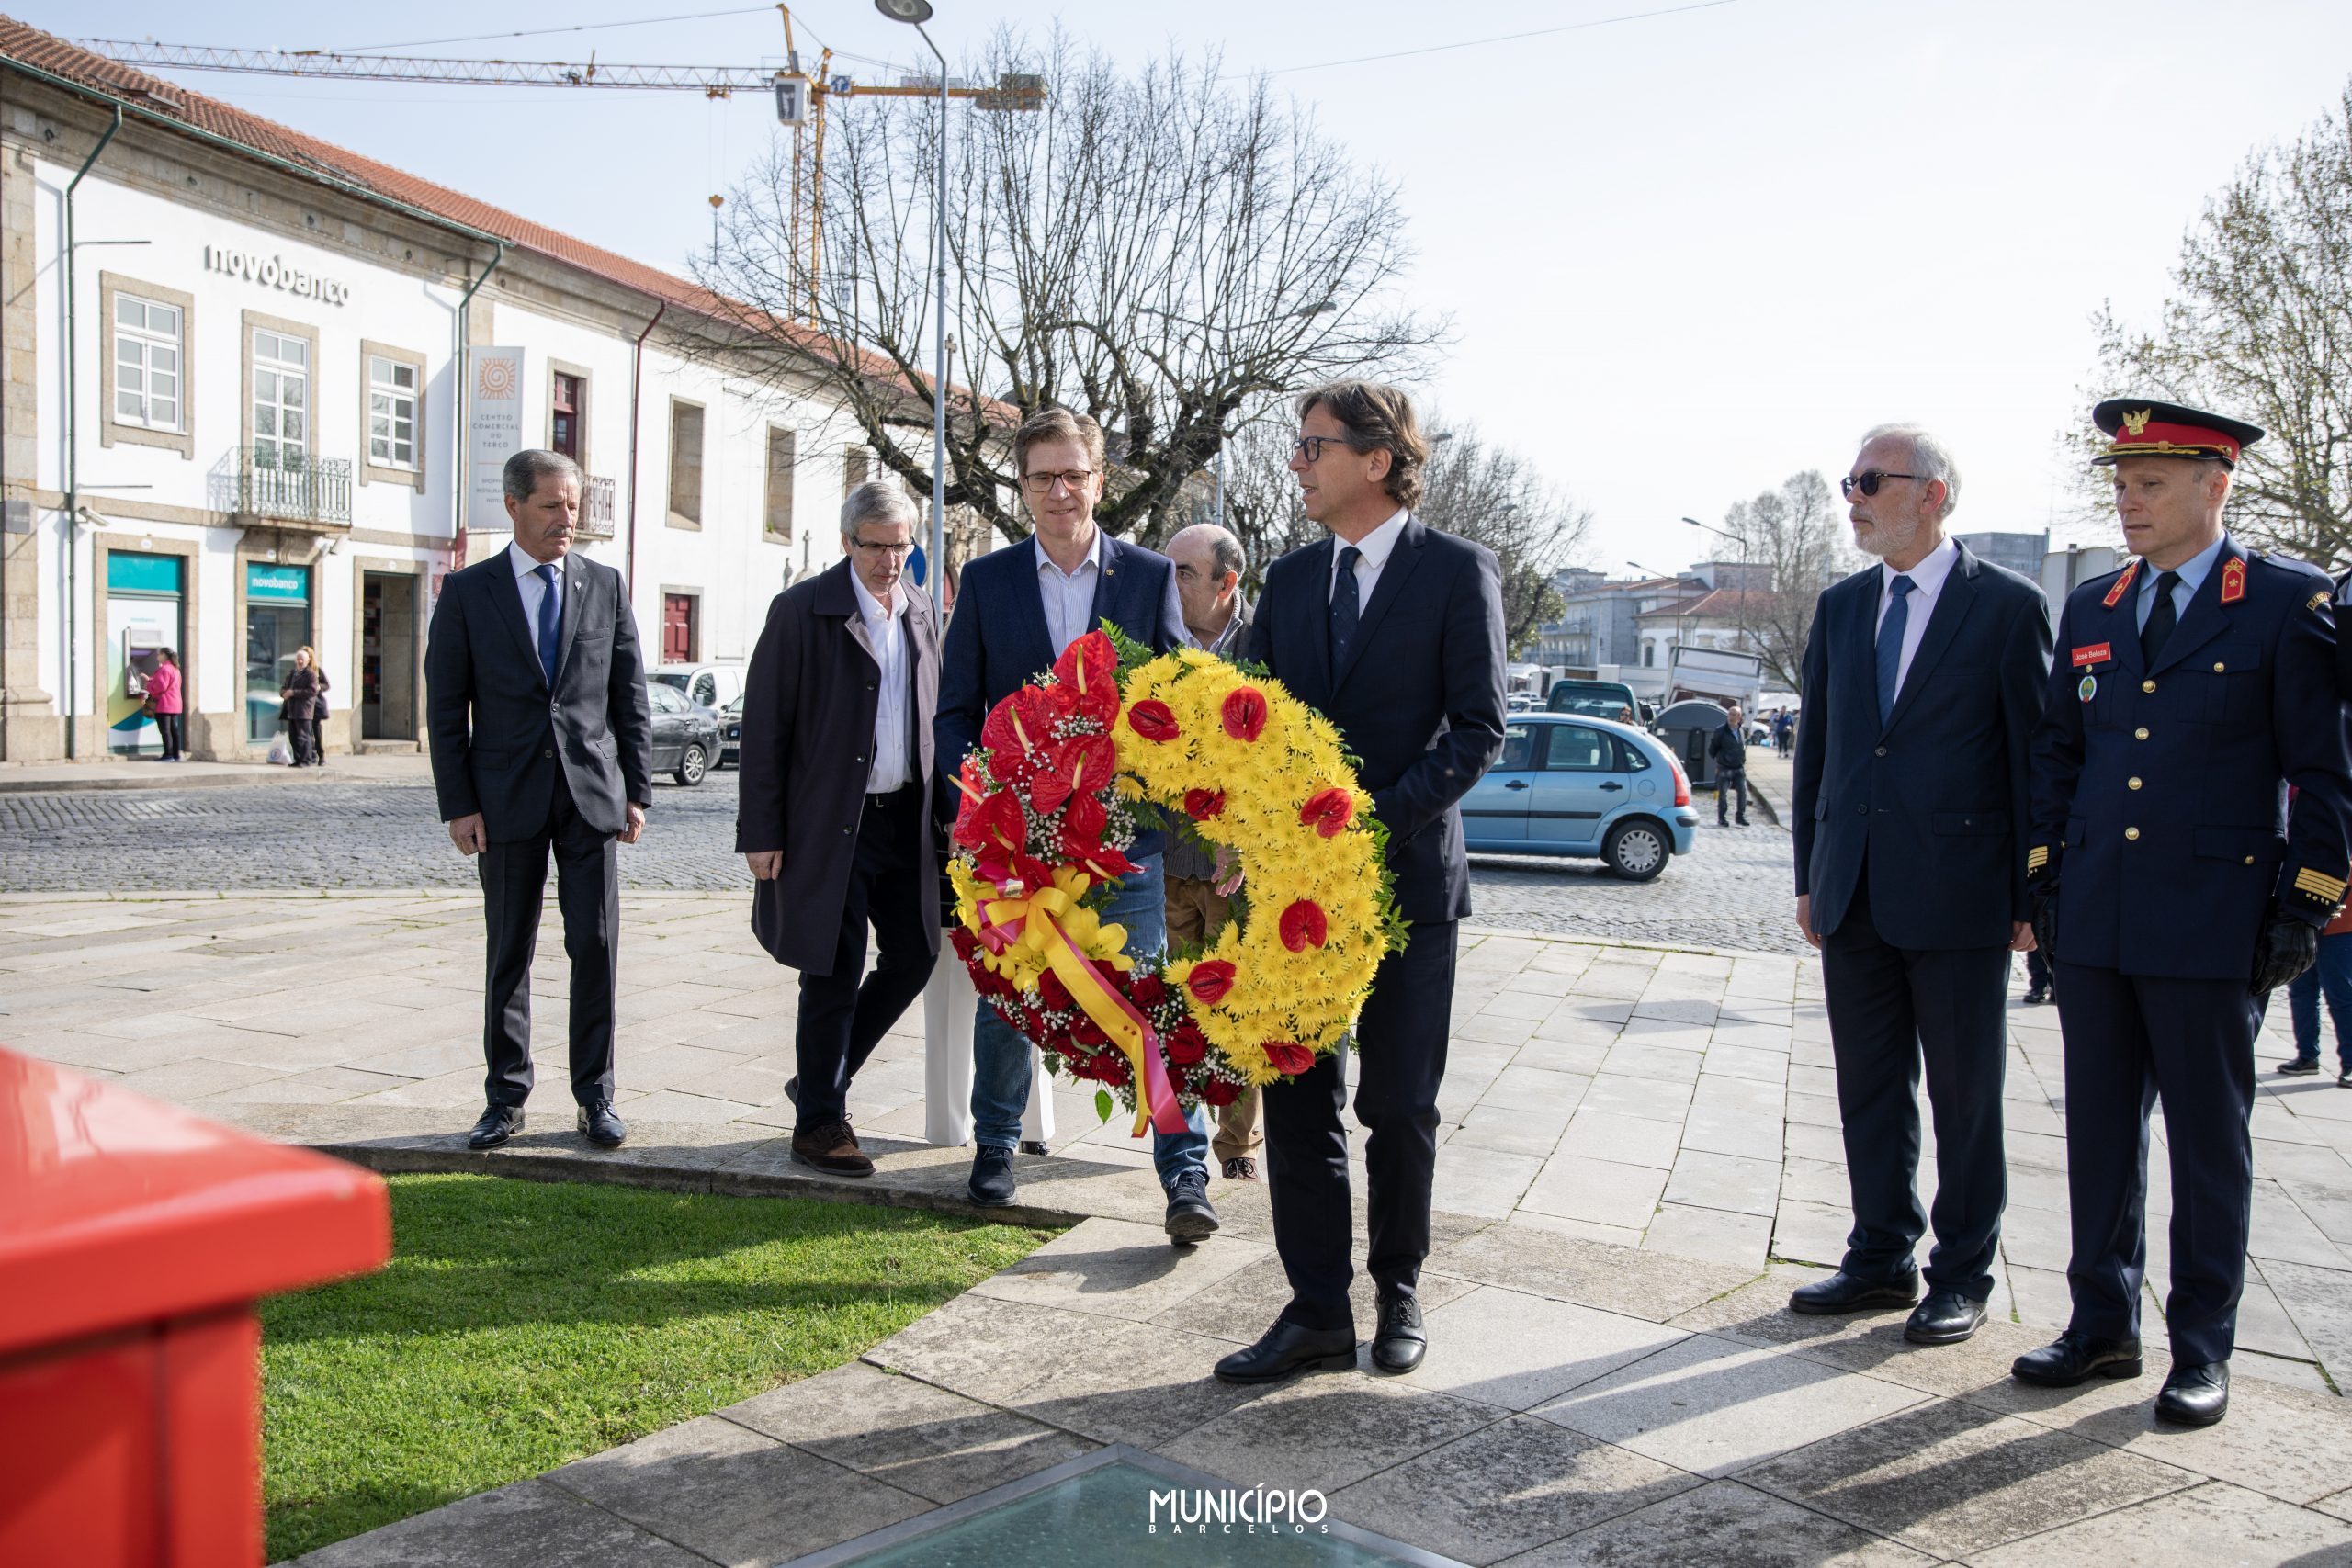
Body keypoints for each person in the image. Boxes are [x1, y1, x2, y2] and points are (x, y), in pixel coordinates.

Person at [2013, 399, 2351, 1428]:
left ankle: (2201, 1348)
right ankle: (2100, 1324)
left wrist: (2305, 903)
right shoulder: (2095, 607)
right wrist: (2044, 880)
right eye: (2119, 485)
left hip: (2214, 919)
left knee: (2211, 1147)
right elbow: (2060, 758)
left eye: (2150, 484)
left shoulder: (2286, 604)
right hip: (2102, 918)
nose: (2128, 504)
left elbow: (2325, 775)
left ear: (2216, 485)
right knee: (2100, 1134)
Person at [1216, 380, 1507, 1384]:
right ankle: (1314, 1310)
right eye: (1294, 447)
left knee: (1399, 1105)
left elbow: (1478, 731)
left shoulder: (1457, 573)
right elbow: (1247, 719)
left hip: (1408, 889)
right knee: (1297, 1104)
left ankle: (1399, 1292)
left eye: (1312, 447)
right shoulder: (1291, 583)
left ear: (1376, 461)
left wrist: (1369, 822)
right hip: (1291, 896)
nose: (1294, 463)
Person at [1790, 423, 2052, 1348]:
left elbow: (2033, 757)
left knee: (1963, 1093)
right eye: (1848, 481)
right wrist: (1807, 877)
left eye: (1868, 480)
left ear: (1931, 492)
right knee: (1869, 1088)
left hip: (1961, 893)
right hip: (1851, 888)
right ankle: (1878, 1257)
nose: (1851, 498)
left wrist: (2032, 893)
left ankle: (1962, 1272)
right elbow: (1817, 751)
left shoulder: (2008, 609)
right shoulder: (1841, 605)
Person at [933, 406, 1217, 1241]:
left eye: (1075, 474)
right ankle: (993, 1148)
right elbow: (955, 714)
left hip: (1124, 844)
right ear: (1022, 487)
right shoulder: (986, 583)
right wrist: (977, 805)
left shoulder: (1147, 577)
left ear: (1100, 480)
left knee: (1150, 1000)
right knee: (1009, 1001)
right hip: (1018, 845)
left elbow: (1172, 704)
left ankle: (1185, 1175)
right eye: (1042, 477)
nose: (1060, 491)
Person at [425, 449, 653, 1154]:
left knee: (597, 944)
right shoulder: (468, 593)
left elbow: (629, 696)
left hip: (591, 797)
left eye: (574, 505)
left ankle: (596, 1096)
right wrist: (459, 803)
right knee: (509, 951)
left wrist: (637, 791)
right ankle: (505, 1098)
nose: (567, 519)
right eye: (553, 505)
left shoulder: (605, 585)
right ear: (514, 506)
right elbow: (444, 707)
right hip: (504, 800)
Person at [738, 482, 943, 1178]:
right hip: (830, 824)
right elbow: (764, 728)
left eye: (901, 545)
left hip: (904, 822)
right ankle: (820, 1123)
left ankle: (821, 1076)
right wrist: (760, 831)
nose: (890, 560)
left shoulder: (921, 611)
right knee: (830, 966)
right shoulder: (801, 611)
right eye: (876, 546)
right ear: (848, 543)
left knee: (915, 953)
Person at [1162, 521, 1260, 1181]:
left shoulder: (1265, 645)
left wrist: (1246, 840)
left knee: (1237, 1008)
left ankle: (1236, 1146)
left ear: (1227, 584)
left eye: (1183, 572)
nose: (1169, 584)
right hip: (1169, 864)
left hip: (1236, 871)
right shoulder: (1158, 640)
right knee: (1179, 1004)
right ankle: (1184, 1143)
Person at [2279, 897, 2352, 1082]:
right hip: (2304, 923)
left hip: (2340, 926)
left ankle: (2350, 1064)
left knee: (2341, 997)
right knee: (2301, 993)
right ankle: (2307, 1056)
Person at [1709, 704, 1750, 826]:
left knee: (1742, 792)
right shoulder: (1720, 731)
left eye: (1734, 714)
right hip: (1724, 767)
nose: (1730, 717)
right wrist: (1721, 759)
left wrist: (1742, 759)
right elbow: (1713, 748)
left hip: (1738, 767)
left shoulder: (1741, 730)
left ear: (1739, 717)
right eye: (1729, 714)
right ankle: (1722, 817)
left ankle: (1740, 816)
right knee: (1723, 794)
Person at [280, 646, 322, 766]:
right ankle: (298, 759)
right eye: (298, 659)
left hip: (304, 710)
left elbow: (312, 691)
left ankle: (306, 760)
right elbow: (284, 687)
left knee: (304, 737)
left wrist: (294, 692)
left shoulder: (311, 674)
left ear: (307, 660)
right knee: (294, 737)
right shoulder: (293, 673)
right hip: (292, 709)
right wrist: (284, 693)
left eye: (302, 659)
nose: (299, 661)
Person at [148, 649, 183, 762]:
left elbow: (161, 687)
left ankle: (168, 754)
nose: (157, 656)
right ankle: (176, 754)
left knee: (165, 730)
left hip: (164, 703)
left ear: (164, 655)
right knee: (174, 730)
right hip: (175, 703)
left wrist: (148, 686)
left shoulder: (165, 669)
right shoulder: (175, 669)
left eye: (159, 654)